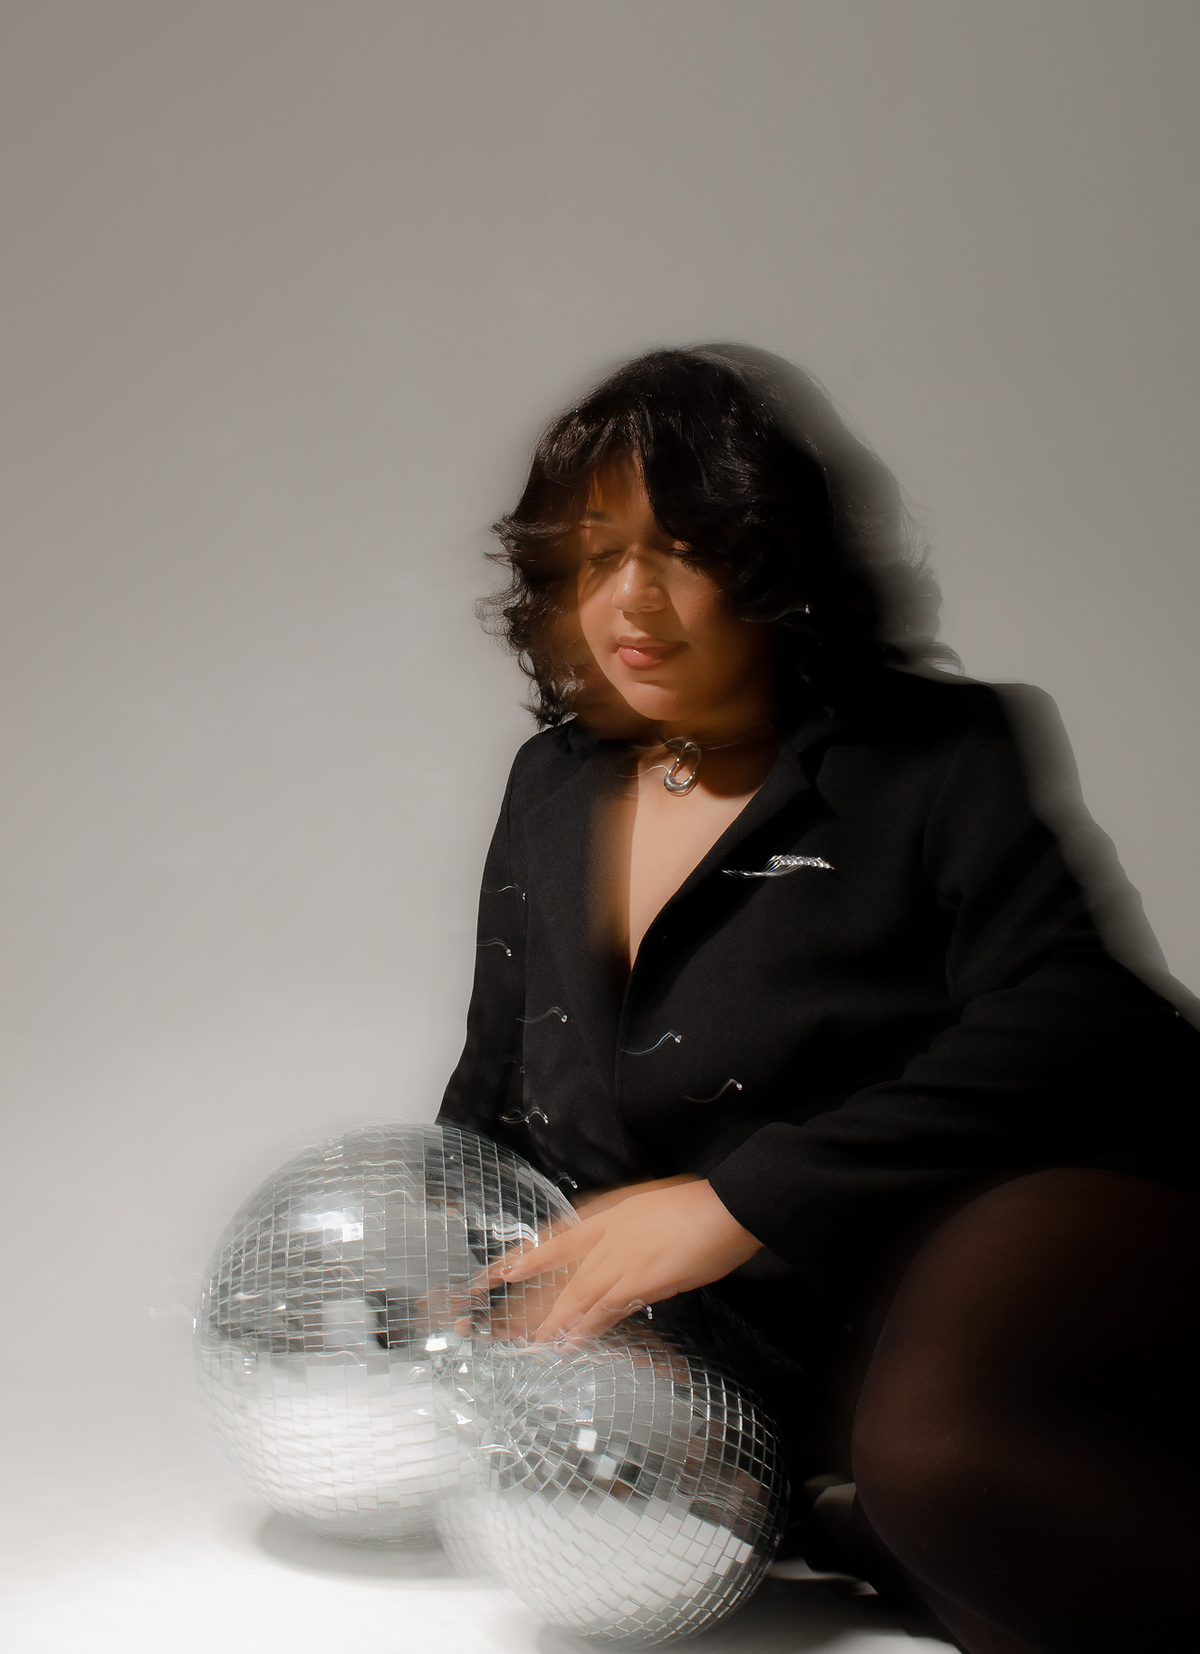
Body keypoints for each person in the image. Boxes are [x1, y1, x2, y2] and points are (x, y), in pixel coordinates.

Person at [436, 347, 1200, 1653]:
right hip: (780, 1325)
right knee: (958, 1559)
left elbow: (1086, 1014)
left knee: (940, 1467)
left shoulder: (932, 752)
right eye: (597, 555)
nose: (633, 600)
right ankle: (866, 1518)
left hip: (1011, 1205)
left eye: (684, 550)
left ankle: (891, 1506)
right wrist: (464, 1273)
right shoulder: (549, 786)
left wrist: (738, 1201)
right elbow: (496, 1080)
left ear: (769, 564)